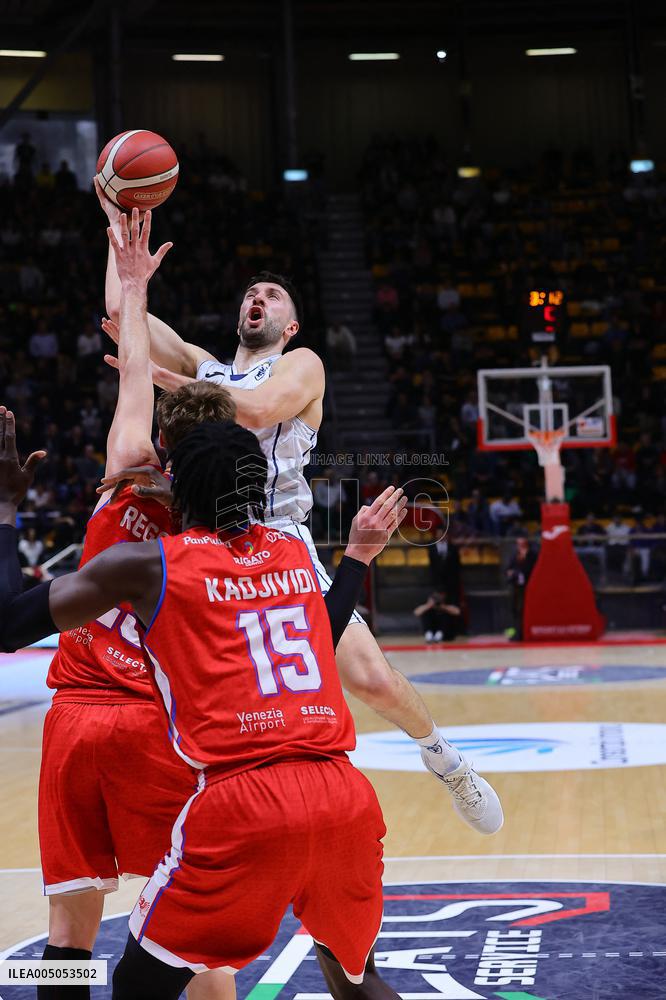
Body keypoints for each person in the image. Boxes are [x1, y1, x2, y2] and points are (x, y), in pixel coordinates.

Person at [97, 181, 504, 837]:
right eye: (250, 293)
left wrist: (164, 379)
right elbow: (125, 313)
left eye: (272, 296)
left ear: (288, 325)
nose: (257, 298)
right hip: (205, 542)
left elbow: (255, 411)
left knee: (369, 679)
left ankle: (447, 760)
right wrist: (118, 230)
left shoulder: (302, 365)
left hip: (282, 541)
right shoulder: (206, 362)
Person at [0, 407, 408, 1000]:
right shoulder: (287, 552)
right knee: (206, 962)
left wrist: (6, 507)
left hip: (76, 726)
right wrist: (355, 561)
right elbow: (318, 628)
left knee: (70, 935)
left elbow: (10, 624)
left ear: (166, 457)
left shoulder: (124, 524)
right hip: (200, 749)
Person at [34, 210, 234, 1000]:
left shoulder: (125, 468)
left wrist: (133, 279)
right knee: (195, 940)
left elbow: (131, 375)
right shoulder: (213, 535)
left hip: (71, 722)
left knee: (66, 929)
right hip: (152, 732)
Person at [505, 536, 537, 641]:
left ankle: (523, 633)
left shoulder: (532, 555)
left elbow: (532, 569)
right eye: (518, 544)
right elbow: (508, 568)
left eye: (522, 544)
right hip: (515, 586)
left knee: (522, 610)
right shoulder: (514, 555)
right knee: (514, 610)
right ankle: (516, 633)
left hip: (527, 587)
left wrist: (523, 562)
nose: (519, 546)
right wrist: (510, 573)